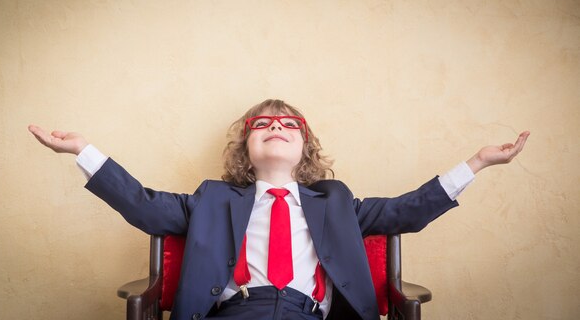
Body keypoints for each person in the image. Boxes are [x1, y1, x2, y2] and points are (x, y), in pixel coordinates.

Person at [28, 99, 529, 320]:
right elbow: (142, 206)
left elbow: (408, 211)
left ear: (305, 146)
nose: (275, 127)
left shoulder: (335, 201)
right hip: (234, 312)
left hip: (306, 314)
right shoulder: (211, 198)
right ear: (245, 146)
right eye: (261, 123)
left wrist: (478, 162)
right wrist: (83, 151)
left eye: (289, 124)